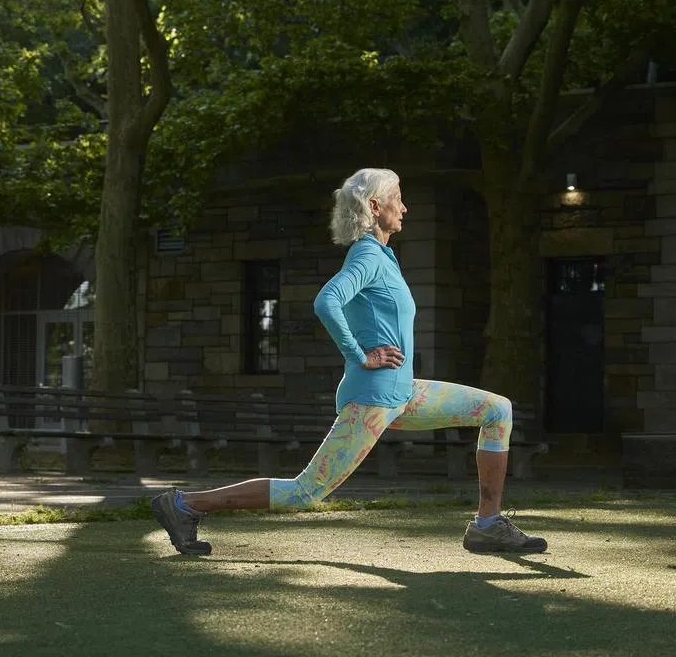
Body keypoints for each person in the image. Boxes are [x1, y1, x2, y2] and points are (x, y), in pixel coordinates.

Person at [151, 168, 548, 556]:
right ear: (375, 206)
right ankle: (185, 504)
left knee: (497, 410)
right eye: (397, 199)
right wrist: (360, 354)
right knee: (305, 491)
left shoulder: (384, 257)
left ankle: (487, 525)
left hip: (402, 394)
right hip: (373, 399)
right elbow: (327, 300)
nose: (405, 207)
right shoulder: (368, 254)